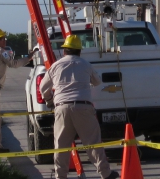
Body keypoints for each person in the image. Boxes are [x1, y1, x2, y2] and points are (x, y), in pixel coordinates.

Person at [39, 35, 118, 179]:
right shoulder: (86, 64)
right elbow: (97, 82)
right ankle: (105, 174)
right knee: (93, 142)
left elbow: (43, 87)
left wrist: (49, 99)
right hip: (83, 107)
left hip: (62, 107)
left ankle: (60, 176)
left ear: (64, 51)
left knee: (61, 145)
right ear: (79, 51)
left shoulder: (56, 66)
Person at [0, 27, 34, 153]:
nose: (4, 40)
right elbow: (14, 64)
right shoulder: (0, 51)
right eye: (1, 38)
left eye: (4, 38)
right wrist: (29, 58)